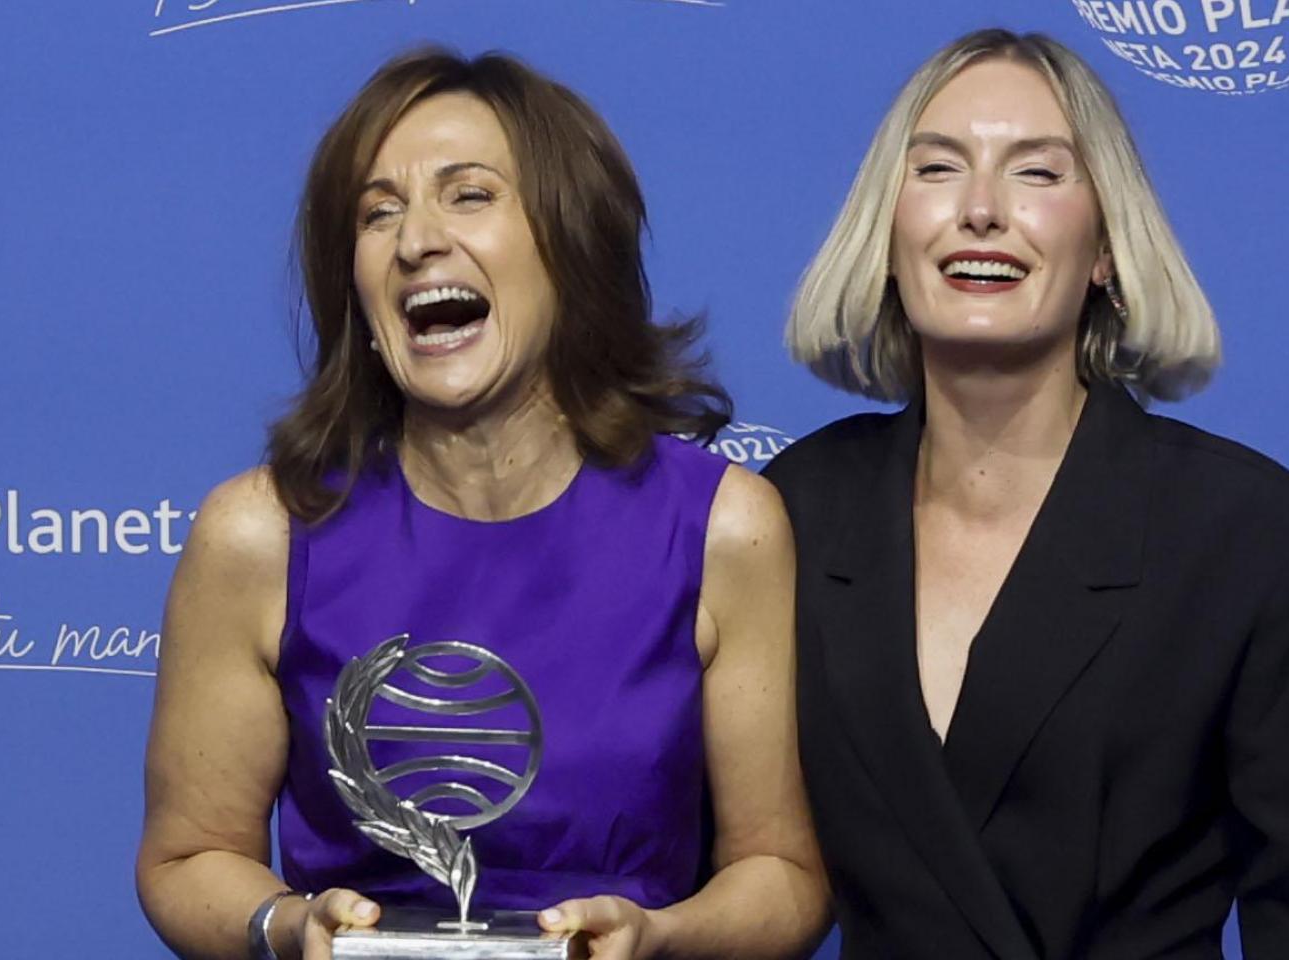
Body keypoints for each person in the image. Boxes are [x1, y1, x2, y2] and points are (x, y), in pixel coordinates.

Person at [136, 49, 827, 960]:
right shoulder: (260, 533)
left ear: (570, 241)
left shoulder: (725, 529)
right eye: (378, 212)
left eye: (468, 195)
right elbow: (188, 857)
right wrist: (286, 925)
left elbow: (783, 874)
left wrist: (661, 938)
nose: (416, 239)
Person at [762, 28, 1289, 960]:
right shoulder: (789, 510)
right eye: (938, 168)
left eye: (1037, 173)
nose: (980, 210)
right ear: (886, 232)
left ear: (1106, 248)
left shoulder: (1262, 543)